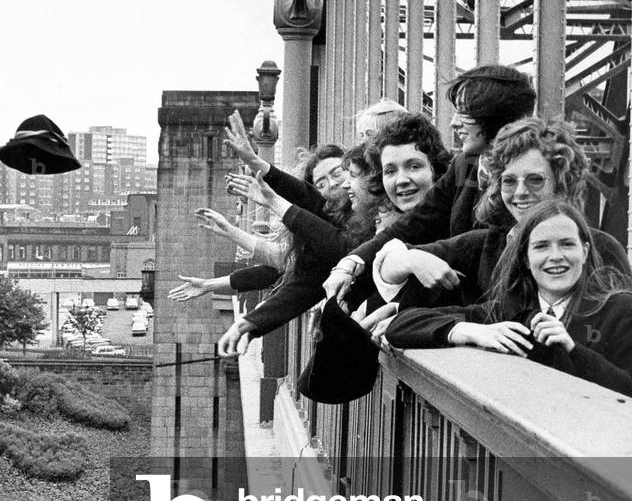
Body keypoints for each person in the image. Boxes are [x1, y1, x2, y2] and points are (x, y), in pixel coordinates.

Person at [217, 114, 450, 356]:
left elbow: (339, 245)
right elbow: (315, 265)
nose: (344, 185)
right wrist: (253, 322)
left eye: (347, 174)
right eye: (391, 170)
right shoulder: (375, 221)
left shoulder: (420, 218)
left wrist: (272, 198)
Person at [323, 65, 538, 309]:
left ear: (497, 117)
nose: (454, 123)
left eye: (466, 113)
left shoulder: (526, 188)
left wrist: (405, 265)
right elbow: (414, 224)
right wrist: (350, 265)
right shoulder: (464, 165)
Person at [373, 118, 630, 308]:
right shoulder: (487, 243)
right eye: (509, 181)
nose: (519, 193)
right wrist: (412, 260)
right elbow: (387, 263)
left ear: (562, 182)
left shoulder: (602, 249)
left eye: (535, 180)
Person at [385, 201, 632, 395]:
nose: (555, 256)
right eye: (541, 246)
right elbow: (401, 325)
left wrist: (573, 349)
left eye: (567, 244)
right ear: (525, 257)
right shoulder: (507, 312)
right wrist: (467, 330)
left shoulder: (620, 309)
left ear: (585, 251)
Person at [168, 143, 347, 303]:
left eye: (338, 173)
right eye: (321, 184)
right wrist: (209, 284)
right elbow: (283, 264)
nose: (333, 184)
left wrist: (256, 165)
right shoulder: (326, 219)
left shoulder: (352, 217)